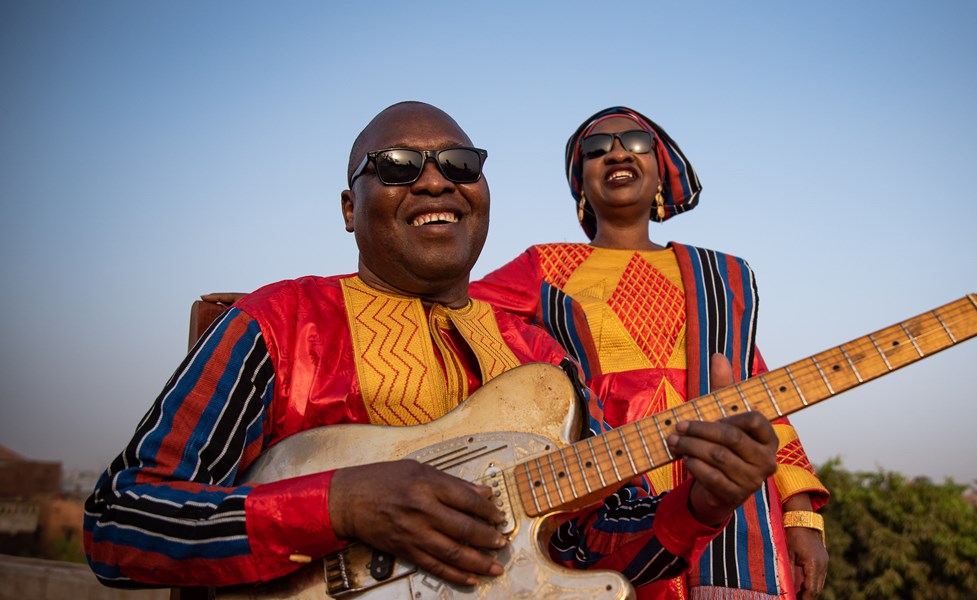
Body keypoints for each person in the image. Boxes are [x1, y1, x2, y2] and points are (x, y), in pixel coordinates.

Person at [83, 101, 781, 593]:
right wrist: (340, 505)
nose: (435, 178)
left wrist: (703, 506)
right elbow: (118, 524)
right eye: (394, 165)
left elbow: (603, 553)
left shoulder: (545, 362)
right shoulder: (281, 321)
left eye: (459, 162)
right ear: (349, 209)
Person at [471, 106, 830, 599]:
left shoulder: (719, 278)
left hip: (730, 514)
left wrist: (802, 515)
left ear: (660, 169)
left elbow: (761, 401)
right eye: (597, 149)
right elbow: (459, 317)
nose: (617, 151)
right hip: (601, 504)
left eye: (635, 142)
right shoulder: (544, 265)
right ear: (581, 186)